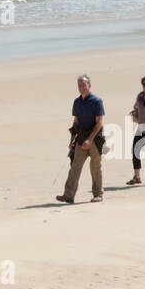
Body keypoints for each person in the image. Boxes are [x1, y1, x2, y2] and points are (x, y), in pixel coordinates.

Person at [57, 74, 105, 203]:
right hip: (80, 138)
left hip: (95, 140)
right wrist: (72, 140)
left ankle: (98, 194)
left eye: (84, 85)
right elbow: (76, 122)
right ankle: (68, 195)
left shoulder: (97, 101)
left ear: (89, 85)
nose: (81, 87)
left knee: (95, 167)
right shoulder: (77, 102)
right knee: (75, 166)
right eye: (79, 85)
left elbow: (99, 122)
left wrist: (89, 140)